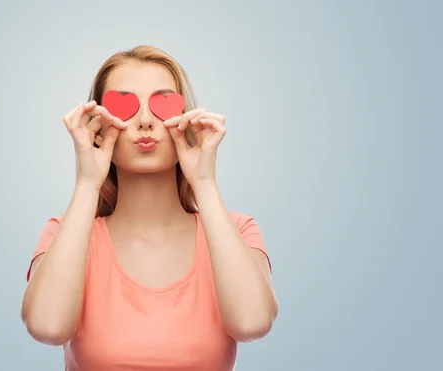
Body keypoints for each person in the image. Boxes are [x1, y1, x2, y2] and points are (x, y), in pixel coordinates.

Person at [21, 45, 278, 370]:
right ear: (97, 125)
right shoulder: (65, 232)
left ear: (186, 119)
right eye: (124, 106)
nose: (144, 120)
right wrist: (87, 182)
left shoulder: (238, 230)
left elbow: (252, 323)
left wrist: (205, 183)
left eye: (162, 104)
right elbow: (47, 327)